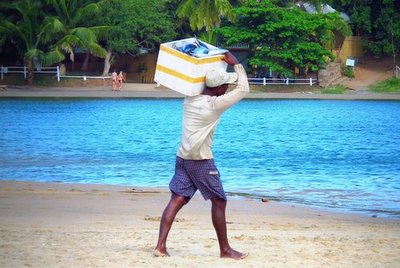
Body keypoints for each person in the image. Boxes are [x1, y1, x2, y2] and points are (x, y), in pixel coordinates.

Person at [154, 52, 249, 260]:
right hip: (201, 161)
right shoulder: (213, 106)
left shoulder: (189, 100)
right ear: (218, 88)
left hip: (182, 158)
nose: (227, 89)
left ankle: (160, 246)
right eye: (225, 86)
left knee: (177, 199)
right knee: (219, 201)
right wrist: (236, 64)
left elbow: (200, 86)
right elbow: (243, 89)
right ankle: (225, 250)